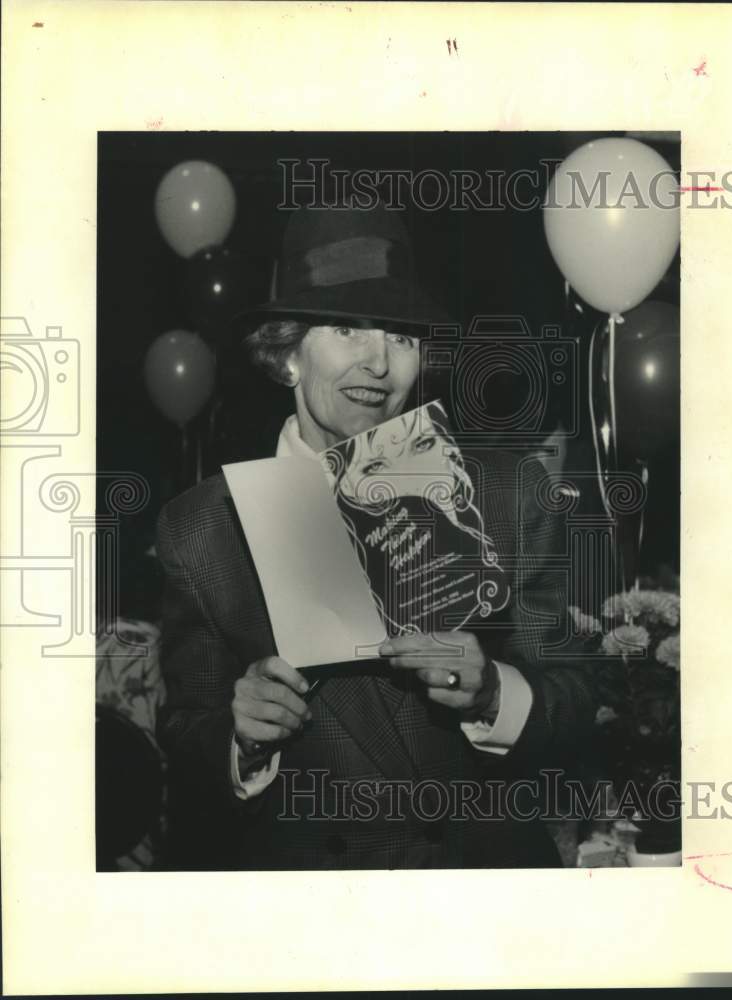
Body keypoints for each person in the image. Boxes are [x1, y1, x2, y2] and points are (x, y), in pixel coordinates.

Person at [156, 201, 596, 870]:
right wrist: (240, 737)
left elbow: (578, 701)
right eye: (346, 330)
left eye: (400, 336)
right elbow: (187, 731)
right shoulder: (202, 529)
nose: (380, 365)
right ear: (287, 356)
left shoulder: (506, 494)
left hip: (482, 902)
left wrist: (493, 695)